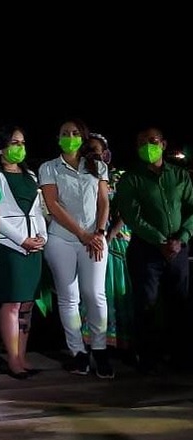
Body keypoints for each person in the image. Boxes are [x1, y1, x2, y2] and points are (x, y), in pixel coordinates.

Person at [38, 118, 113, 379]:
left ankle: (100, 349)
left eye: (74, 133)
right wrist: (82, 234)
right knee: (69, 297)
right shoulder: (49, 167)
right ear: (58, 138)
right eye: (64, 133)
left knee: (95, 294)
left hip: (95, 238)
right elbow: (53, 205)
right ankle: (78, 352)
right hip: (62, 239)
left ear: (82, 137)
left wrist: (99, 233)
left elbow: (103, 202)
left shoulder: (98, 166)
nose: (69, 137)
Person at [115, 126, 192, 373]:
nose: (147, 146)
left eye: (152, 140)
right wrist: (160, 241)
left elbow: (191, 209)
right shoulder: (131, 178)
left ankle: (180, 356)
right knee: (146, 303)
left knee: (179, 303)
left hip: (178, 249)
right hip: (146, 250)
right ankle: (147, 358)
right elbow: (132, 215)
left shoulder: (180, 176)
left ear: (163, 144)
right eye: (141, 142)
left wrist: (181, 238)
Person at [0, 125, 47, 379]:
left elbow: (38, 209)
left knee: (27, 304)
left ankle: (22, 355)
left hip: (34, 245)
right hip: (9, 245)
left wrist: (42, 236)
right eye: (14, 143)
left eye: (22, 143)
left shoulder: (30, 175)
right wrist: (21, 239)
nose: (19, 147)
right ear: (1, 148)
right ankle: (12, 359)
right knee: (12, 302)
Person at [84, 133, 133, 352]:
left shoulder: (119, 178)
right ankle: (93, 343)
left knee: (117, 289)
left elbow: (128, 208)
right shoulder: (82, 177)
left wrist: (110, 234)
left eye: (95, 150)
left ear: (106, 154)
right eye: (87, 151)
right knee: (93, 291)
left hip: (116, 241)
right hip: (90, 239)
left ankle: (122, 342)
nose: (92, 155)